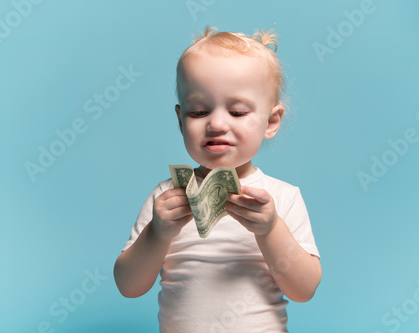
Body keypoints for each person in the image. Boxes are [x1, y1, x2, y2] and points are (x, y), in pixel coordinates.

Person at [114, 26, 322, 332]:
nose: (217, 123)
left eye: (237, 112)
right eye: (198, 112)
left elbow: (304, 290)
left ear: (271, 121)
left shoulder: (283, 197)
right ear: (180, 120)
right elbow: (128, 285)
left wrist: (271, 229)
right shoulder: (166, 196)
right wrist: (158, 233)